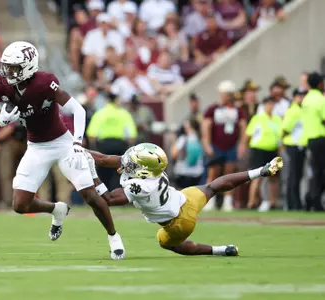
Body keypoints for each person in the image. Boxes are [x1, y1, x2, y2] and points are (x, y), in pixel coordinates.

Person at [0, 41, 125, 260]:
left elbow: (78, 109)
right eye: (6, 66)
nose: (7, 72)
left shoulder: (45, 82)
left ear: (28, 66)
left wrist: (77, 143)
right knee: (19, 205)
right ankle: (57, 209)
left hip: (63, 143)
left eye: (13, 67)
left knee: (90, 195)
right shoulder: (3, 84)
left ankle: (114, 237)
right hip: (36, 147)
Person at [85, 143, 283, 256]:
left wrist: (92, 173)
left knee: (167, 243)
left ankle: (219, 251)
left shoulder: (141, 186)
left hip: (179, 223)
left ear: (143, 169)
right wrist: (80, 152)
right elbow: (104, 158)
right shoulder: (151, 172)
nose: (127, 161)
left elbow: (108, 198)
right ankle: (260, 171)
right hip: (185, 198)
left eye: (133, 161)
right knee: (212, 186)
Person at [202, 80, 247, 211]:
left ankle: (228, 201)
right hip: (216, 146)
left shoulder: (238, 110)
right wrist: (207, 144)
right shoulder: (213, 109)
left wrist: (241, 145)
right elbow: (206, 126)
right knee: (213, 173)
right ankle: (209, 200)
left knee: (229, 174)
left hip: (231, 146)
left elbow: (243, 127)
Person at [245, 96, 282, 212]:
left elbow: (280, 135)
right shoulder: (257, 118)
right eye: (269, 104)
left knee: (274, 177)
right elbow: (248, 134)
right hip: (259, 150)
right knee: (257, 176)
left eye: (273, 104)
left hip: (273, 150)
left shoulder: (277, 119)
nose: (271, 106)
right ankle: (251, 202)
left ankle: (272, 202)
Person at [301, 72, 325, 212]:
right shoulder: (320, 100)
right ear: (319, 84)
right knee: (320, 173)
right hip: (321, 138)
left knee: (316, 171)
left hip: (310, 139)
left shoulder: (306, 100)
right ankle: (315, 200)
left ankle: (311, 198)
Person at [282, 88, 307, 211]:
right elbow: (286, 128)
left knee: (297, 175)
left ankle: (295, 202)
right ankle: (292, 203)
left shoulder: (301, 110)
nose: (301, 98)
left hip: (300, 146)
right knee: (293, 175)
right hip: (293, 145)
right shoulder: (293, 110)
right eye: (299, 96)